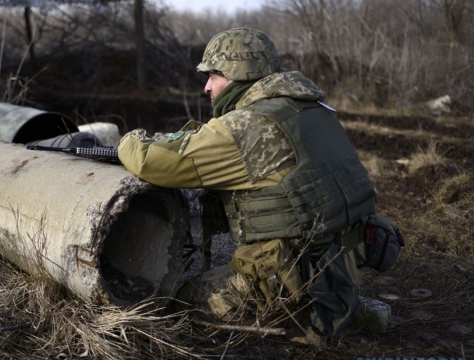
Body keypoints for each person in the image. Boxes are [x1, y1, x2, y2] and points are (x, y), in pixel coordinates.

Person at [117, 28, 379, 343]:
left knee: (177, 300)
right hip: (345, 261)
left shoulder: (248, 125)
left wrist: (126, 140)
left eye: (213, 75)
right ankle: (342, 305)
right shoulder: (314, 109)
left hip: (294, 278)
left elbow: (151, 160)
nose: (206, 87)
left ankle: (312, 318)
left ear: (237, 74)